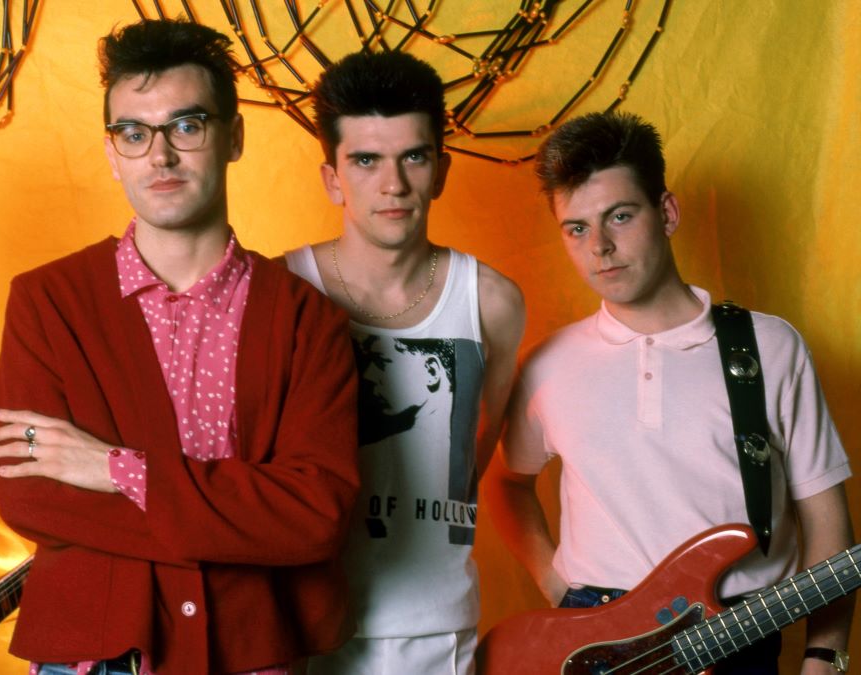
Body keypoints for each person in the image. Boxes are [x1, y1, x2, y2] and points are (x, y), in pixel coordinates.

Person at [0, 19, 360, 675]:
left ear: (233, 137)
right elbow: (30, 498)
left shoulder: (308, 321)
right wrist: (236, 517)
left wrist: (116, 470)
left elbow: (314, 514)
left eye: (187, 126)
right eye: (134, 133)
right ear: (111, 151)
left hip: (248, 655)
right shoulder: (48, 302)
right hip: (95, 660)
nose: (159, 156)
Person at [486, 110, 853, 674]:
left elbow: (825, 519)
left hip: (736, 640)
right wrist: (557, 585)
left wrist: (823, 656)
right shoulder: (548, 366)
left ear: (667, 212)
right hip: (595, 647)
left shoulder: (769, 347)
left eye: (621, 216)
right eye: (577, 228)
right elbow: (508, 484)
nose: (600, 247)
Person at [283, 50, 525, 675]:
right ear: (332, 178)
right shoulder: (281, 290)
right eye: (365, 160)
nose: (392, 185)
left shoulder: (492, 302)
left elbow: (470, 463)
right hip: (302, 627)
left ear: (440, 170)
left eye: (412, 157)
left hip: (440, 634)